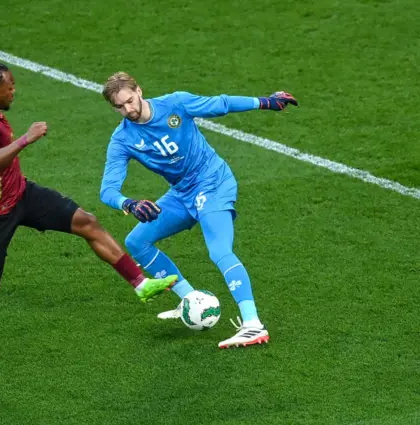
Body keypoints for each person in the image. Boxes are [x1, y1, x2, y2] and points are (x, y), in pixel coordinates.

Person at [0, 63, 177, 363]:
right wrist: (24, 138)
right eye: (10, 87)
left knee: (87, 222)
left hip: (21, 193)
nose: (14, 91)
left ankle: (141, 285)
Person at [99, 72, 298, 348]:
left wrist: (266, 102)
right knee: (137, 241)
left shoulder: (175, 104)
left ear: (140, 91)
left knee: (219, 250)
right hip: (181, 193)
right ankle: (191, 300)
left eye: (130, 101)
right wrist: (129, 204)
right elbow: (107, 190)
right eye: (119, 107)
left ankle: (253, 324)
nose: (128, 110)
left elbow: (221, 104)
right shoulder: (123, 139)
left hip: (212, 182)